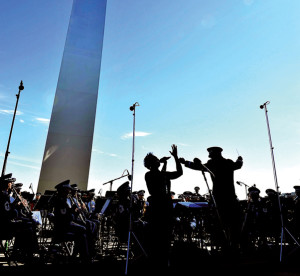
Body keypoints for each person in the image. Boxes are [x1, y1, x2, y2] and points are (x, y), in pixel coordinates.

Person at [179, 146, 243, 255]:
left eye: (210, 154)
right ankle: (235, 246)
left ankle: (224, 246)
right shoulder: (228, 163)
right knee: (233, 223)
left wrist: (185, 162)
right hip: (231, 197)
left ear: (214, 154)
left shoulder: (212, 163)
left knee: (220, 222)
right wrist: (240, 159)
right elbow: (238, 165)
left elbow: (198, 166)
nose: (209, 156)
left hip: (219, 198)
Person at [143, 144, 183, 271]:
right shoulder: (152, 174)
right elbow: (171, 174)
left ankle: (161, 260)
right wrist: (173, 158)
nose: (157, 161)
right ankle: (162, 261)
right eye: (155, 160)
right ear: (152, 163)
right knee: (162, 235)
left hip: (160, 205)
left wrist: (166, 161)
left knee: (162, 235)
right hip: (161, 206)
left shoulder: (155, 174)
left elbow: (170, 174)